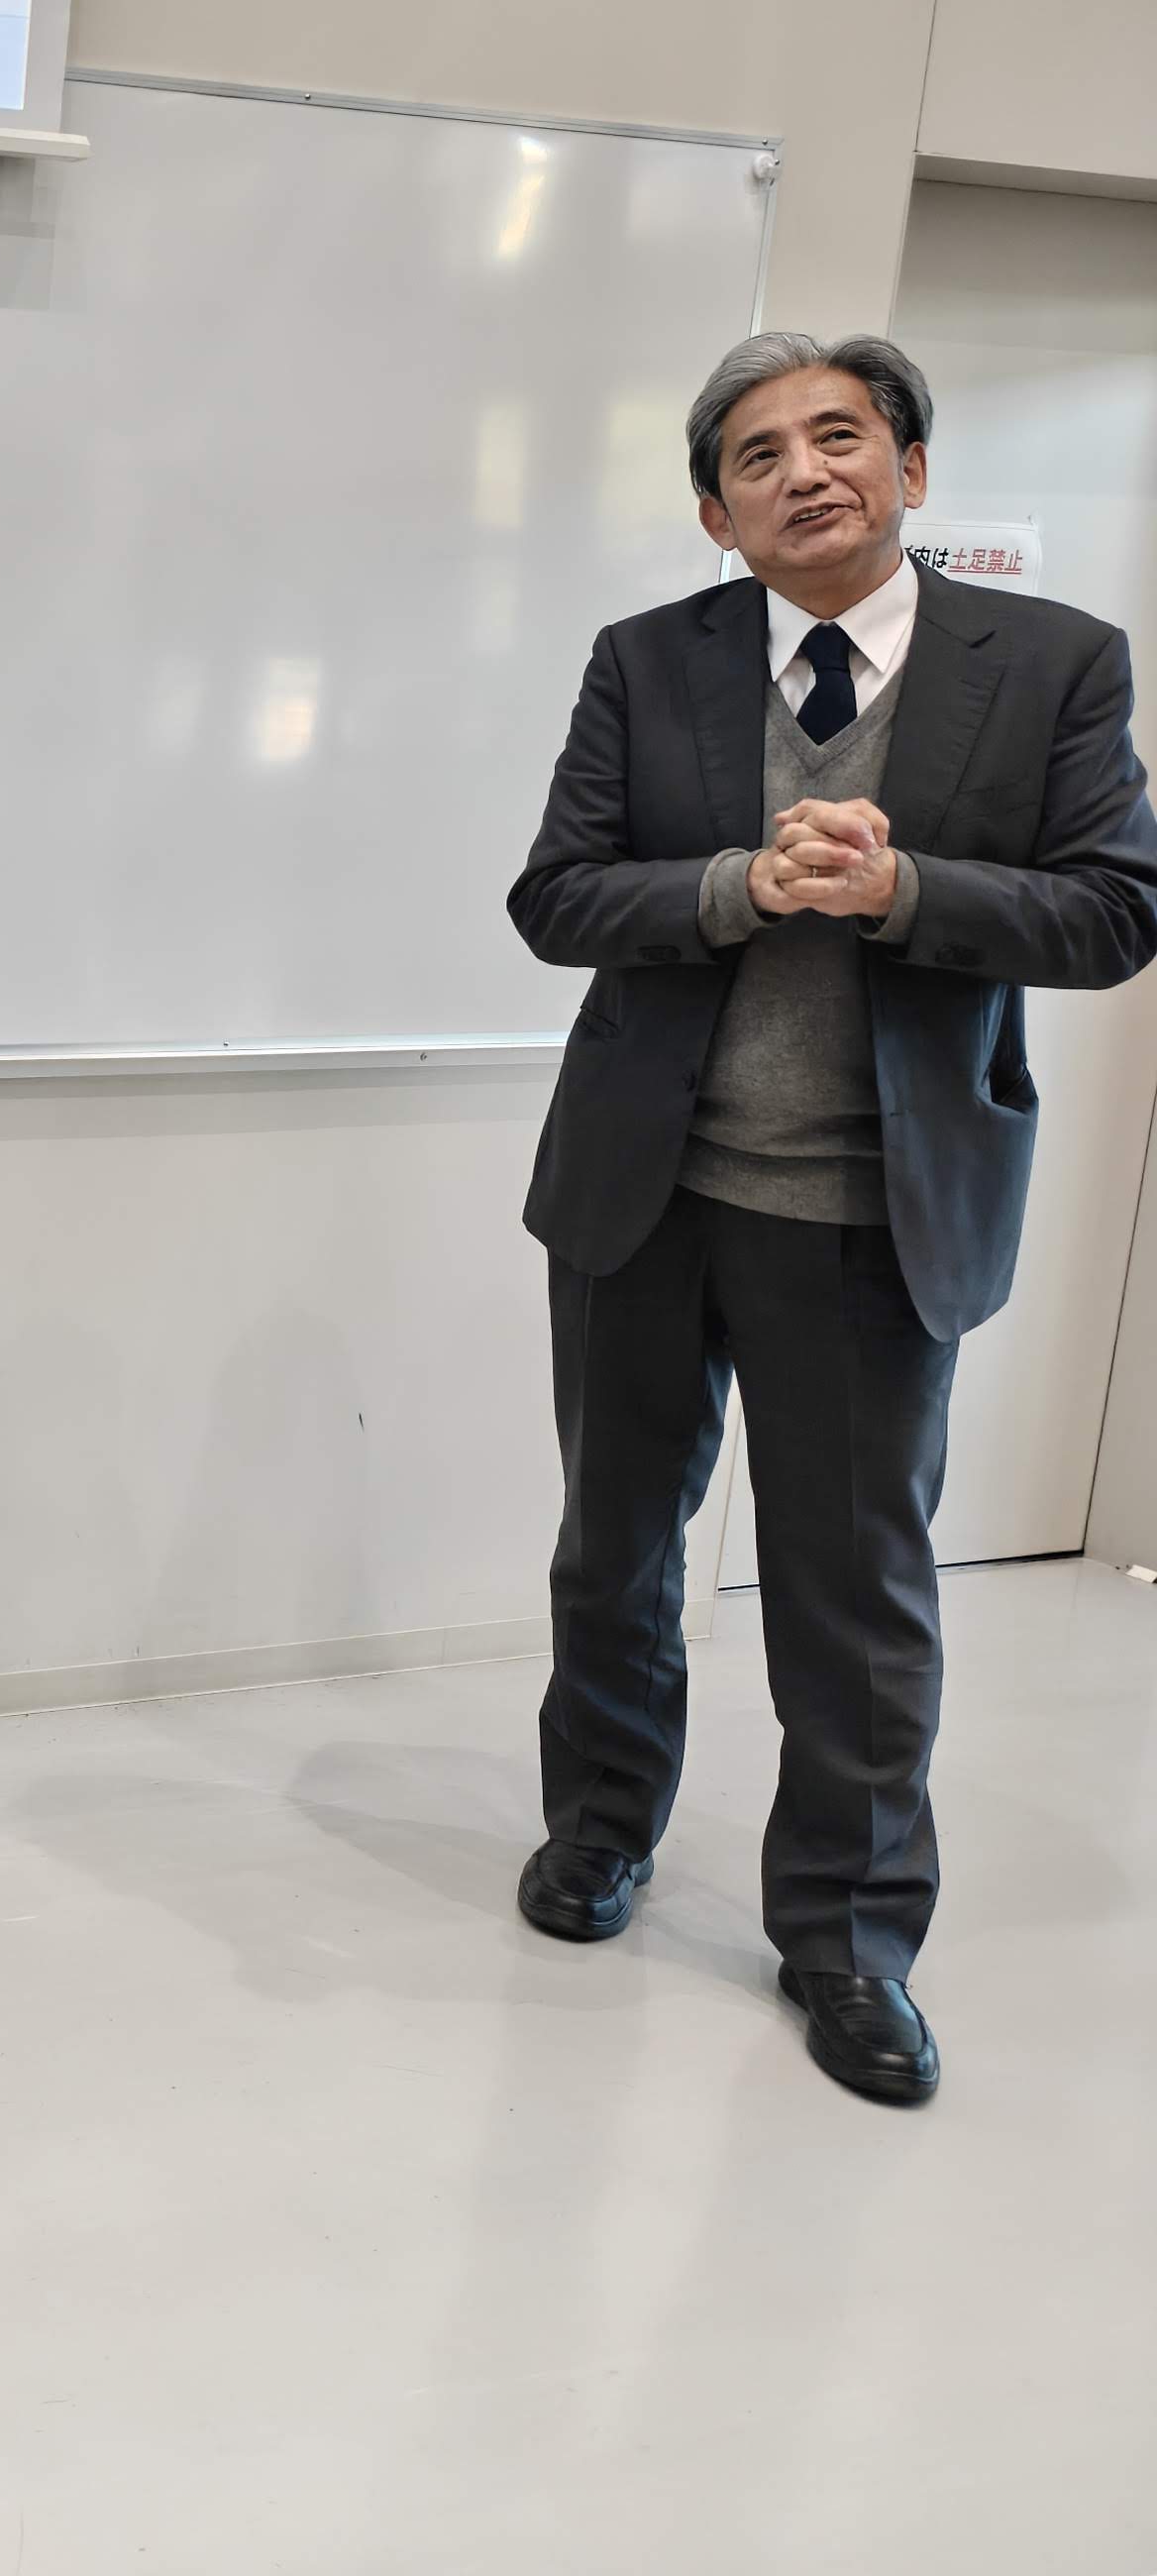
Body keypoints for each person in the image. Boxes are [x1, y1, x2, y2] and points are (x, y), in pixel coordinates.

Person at [507, 331, 1157, 2104]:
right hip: (643, 1194)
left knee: (853, 1594)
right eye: (758, 455)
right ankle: (601, 1828)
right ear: (718, 517)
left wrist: (904, 889)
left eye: (841, 435)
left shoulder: (1053, 664)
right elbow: (557, 897)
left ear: (910, 469)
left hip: (876, 1212)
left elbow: (1115, 912)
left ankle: (851, 1943)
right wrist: (736, 885)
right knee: (616, 1544)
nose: (806, 471)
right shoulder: (647, 661)